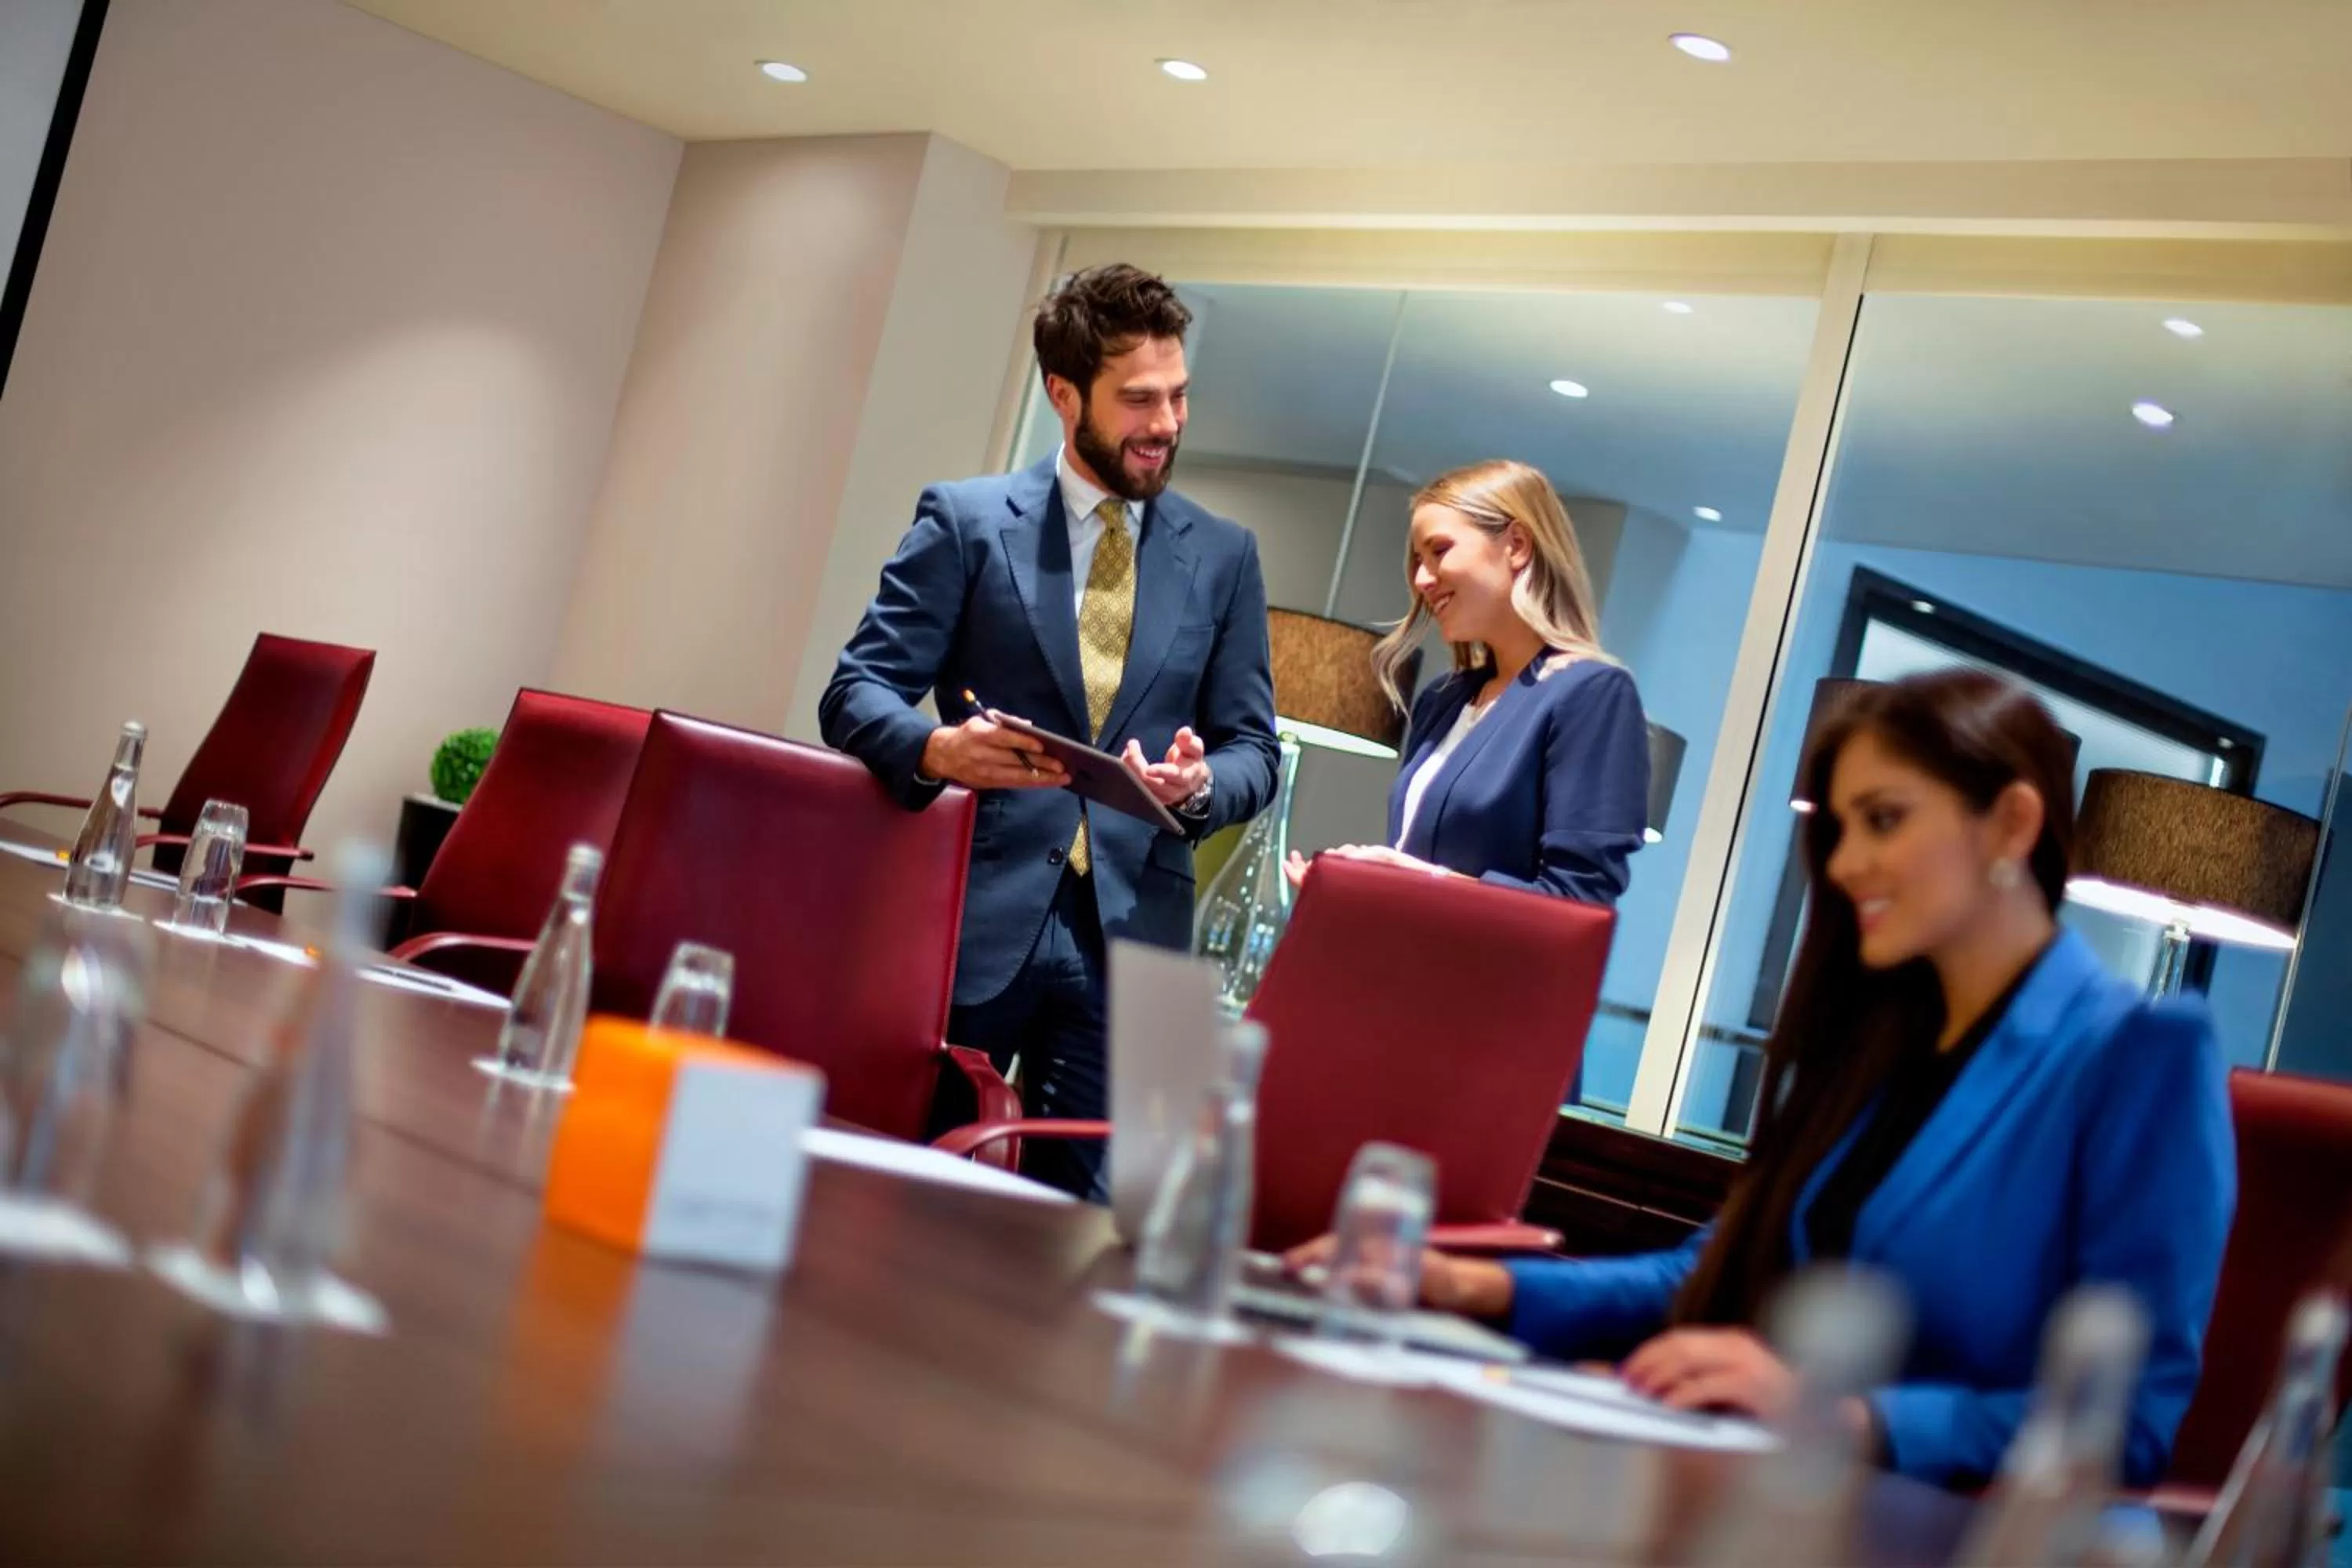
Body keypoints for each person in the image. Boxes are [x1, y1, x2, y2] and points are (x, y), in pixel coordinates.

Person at [1292, 670, 2235, 1489]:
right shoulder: (1880, 1044)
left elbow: (2130, 1425)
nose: (1848, 862)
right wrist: (1470, 1285)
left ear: (2013, 822)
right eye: (1839, 829)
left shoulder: (2139, 1051)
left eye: (1885, 820)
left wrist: (1849, 1417)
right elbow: (1711, 1269)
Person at [819, 263, 1279, 1200]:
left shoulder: (1226, 557)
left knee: (1106, 1237)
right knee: (903, 1190)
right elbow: (856, 689)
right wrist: (934, 749)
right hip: (970, 917)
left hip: (1144, 946)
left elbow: (1255, 753)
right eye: (1139, 399)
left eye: (1179, 395)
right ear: (1063, 393)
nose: (1167, 423)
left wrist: (1203, 786)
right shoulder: (966, 520)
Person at [1285, 458, 1648, 906]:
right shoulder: (1444, 699)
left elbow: (1579, 902)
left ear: (1516, 545)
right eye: (1417, 560)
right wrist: (1359, 884)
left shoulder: (1592, 694)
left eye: (1439, 551)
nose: (1421, 579)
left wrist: (1420, 879)